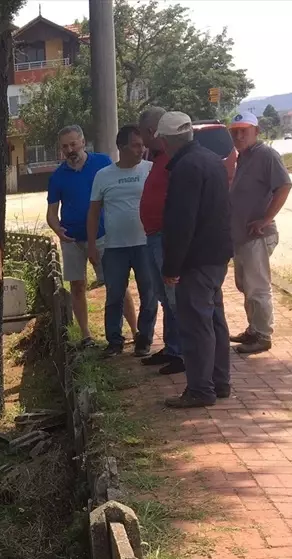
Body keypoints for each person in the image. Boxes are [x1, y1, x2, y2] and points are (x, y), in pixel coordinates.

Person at [158, 111, 235, 409]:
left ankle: (201, 389)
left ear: (166, 142)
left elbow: (182, 222)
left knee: (196, 325)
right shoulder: (211, 160)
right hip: (216, 256)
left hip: (196, 259)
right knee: (215, 321)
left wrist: (172, 266)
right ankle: (219, 381)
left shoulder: (186, 168)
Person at [45, 125, 136, 345]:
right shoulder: (58, 176)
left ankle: (135, 330)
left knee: (116, 284)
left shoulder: (102, 163)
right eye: (65, 146)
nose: (70, 150)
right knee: (77, 286)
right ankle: (86, 335)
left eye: (73, 144)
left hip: (103, 235)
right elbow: (51, 213)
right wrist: (58, 230)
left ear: (83, 142)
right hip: (72, 240)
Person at [86, 124, 157, 357]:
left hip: (146, 244)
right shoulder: (103, 176)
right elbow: (94, 212)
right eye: (135, 145)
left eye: (142, 145)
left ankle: (144, 339)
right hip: (114, 246)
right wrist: (91, 245)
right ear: (121, 147)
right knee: (114, 294)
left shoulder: (150, 169)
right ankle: (114, 341)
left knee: (150, 292)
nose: (141, 149)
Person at [227, 112, 292, 355]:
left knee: (258, 287)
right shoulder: (242, 157)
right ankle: (253, 329)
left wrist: (266, 219)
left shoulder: (266, 155)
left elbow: (284, 186)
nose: (239, 135)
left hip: (258, 236)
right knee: (245, 285)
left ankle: (263, 335)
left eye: (244, 130)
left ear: (257, 130)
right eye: (234, 131)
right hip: (242, 236)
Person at [136, 106, 184, 375]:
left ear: (152, 131)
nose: (142, 140)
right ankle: (171, 347)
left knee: (174, 296)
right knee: (163, 296)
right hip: (153, 236)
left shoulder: (173, 158)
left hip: (165, 237)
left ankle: (182, 352)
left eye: (143, 133)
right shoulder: (157, 158)